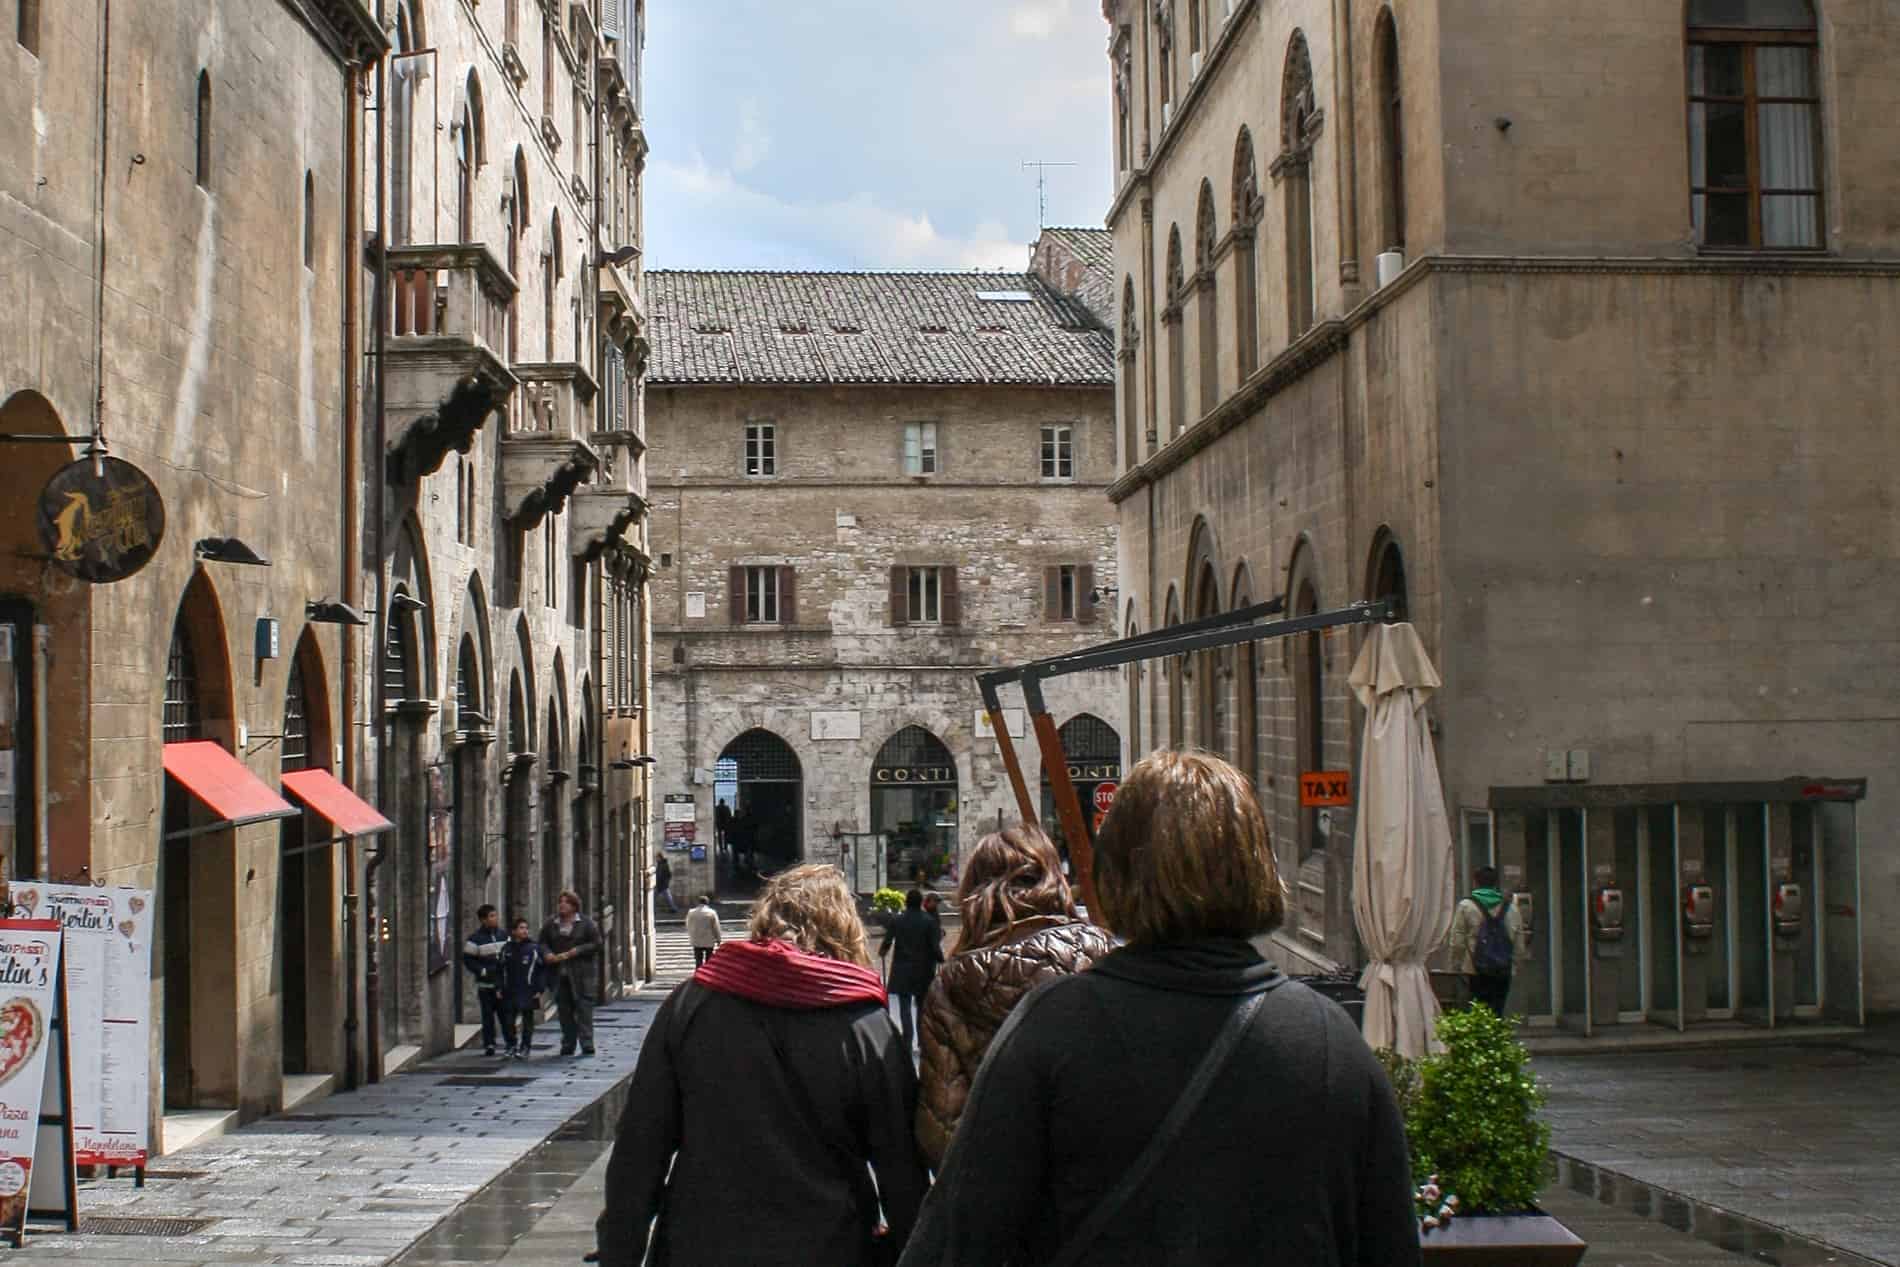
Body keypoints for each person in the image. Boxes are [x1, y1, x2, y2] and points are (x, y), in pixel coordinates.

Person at [898, 751, 1418, 1267]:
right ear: (1261, 866)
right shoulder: (1329, 1041)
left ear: (1113, 871)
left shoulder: (1051, 1030)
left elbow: (957, 1238)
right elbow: (1389, 1241)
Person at [594, 863, 928, 1267]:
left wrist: (620, 1253)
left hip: (700, 1244)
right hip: (830, 1244)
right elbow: (901, 1168)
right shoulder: (864, 1024)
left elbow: (640, 1146)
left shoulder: (691, 1004)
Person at [915, 825, 1117, 1170]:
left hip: (1004, 1194)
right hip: (1100, 1187)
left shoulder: (951, 985)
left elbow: (942, 1132)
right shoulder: (1103, 953)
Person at [1447, 864, 1522, 1017]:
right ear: (1496, 884)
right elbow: (1518, 940)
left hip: (1474, 969)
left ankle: (1481, 1040)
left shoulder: (1466, 906)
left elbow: (1457, 940)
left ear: (1475, 882)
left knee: (1477, 1011)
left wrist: (1455, 965)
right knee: (1497, 1010)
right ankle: (1496, 1038)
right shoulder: (1512, 907)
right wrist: (1514, 965)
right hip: (1503, 968)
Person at [879, 889, 943, 1053]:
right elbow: (934, 946)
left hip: (902, 968)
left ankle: (907, 1037)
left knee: (904, 1005)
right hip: (923, 969)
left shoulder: (897, 920)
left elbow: (887, 941)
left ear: (906, 902)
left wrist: (882, 952)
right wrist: (941, 959)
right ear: (920, 902)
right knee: (922, 1006)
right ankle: (922, 1039)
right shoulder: (929, 921)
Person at [540, 890, 603, 1057]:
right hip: (560, 975)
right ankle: (568, 1043)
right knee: (564, 1011)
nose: (562, 905)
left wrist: (578, 950)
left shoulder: (586, 924)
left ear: (574, 906)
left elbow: (597, 944)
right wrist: (547, 954)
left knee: (584, 1010)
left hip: (582, 975)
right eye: (560, 901)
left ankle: (587, 1043)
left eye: (566, 902)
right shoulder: (551, 924)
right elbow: (542, 942)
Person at [497, 916, 550, 1060]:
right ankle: (511, 1045)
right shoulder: (506, 949)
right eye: (521, 928)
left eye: (526, 928)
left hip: (528, 990)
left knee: (527, 1021)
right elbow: (500, 970)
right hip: (510, 990)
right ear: (514, 931)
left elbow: (542, 970)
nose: (525, 931)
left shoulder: (533, 948)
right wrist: (499, 988)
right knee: (508, 1021)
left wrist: (539, 989)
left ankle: (525, 1046)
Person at [461, 904, 508, 1056]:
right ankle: (489, 1043)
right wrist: (482, 970)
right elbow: (468, 959)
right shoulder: (475, 939)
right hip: (485, 984)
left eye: (495, 915)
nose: (495, 919)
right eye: (492, 916)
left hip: (502, 983)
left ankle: (510, 1041)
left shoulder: (503, 935)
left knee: (505, 1014)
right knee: (487, 1016)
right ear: (483, 920)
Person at [685, 894, 722, 968]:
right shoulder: (712, 912)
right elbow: (716, 927)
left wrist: (691, 935)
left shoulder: (691, 912)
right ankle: (707, 975)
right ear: (707, 902)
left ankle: (698, 974)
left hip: (696, 940)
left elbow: (688, 924)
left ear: (698, 902)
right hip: (709, 940)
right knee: (709, 960)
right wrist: (718, 939)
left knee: (698, 960)